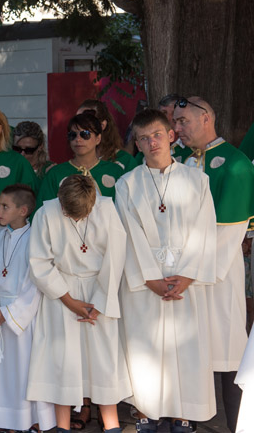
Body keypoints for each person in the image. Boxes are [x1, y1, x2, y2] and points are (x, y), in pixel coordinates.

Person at [115, 109, 217, 431]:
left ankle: (183, 413)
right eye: (144, 138)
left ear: (171, 136)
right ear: (138, 145)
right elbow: (127, 233)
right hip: (148, 283)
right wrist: (150, 279)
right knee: (146, 347)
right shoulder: (127, 184)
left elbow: (205, 229)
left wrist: (187, 275)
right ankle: (146, 411)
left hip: (185, 280)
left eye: (157, 135)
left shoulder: (197, 180)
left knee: (185, 348)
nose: (152, 142)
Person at [174, 96, 254, 432]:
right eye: (174, 123)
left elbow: (229, 233)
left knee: (224, 352)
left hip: (216, 278)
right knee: (187, 353)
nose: (176, 129)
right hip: (178, 274)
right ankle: (186, 422)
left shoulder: (235, 163)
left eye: (183, 122)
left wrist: (192, 272)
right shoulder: (174, 159)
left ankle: (236, 424)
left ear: (206, 118)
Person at [27, 175, 130, 433]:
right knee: (62, 359)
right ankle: (62, 426)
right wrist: (69, 300)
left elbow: (115, 256)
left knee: (103, 359)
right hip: (62, 292)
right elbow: (39, 262)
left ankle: (112, 424)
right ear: (60, 200)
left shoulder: (106, 208)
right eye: (69, 214)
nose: (74, 219)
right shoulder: (46, 213)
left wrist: (99, 301)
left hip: (100, 289)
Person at [0, 184, 55, 433]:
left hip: (24, 318)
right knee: (4, 374)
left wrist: (9, 314)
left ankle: (34, 422)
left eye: (4, 206)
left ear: (23, 210)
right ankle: (12, 423)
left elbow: (36, 283)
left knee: (25, 372)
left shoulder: (36, 239)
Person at [37, 113, 125, 206]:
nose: (78, 139)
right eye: (73, 135)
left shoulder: (115, 171)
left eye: (85, 134)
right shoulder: (55, 174)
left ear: (98, 139)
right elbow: (42, 213)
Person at [77, 99, 138, 171]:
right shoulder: (76, 164)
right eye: (76, 120)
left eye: (86, 121)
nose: (79, 126)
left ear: (102, 125)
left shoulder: (124, 160)